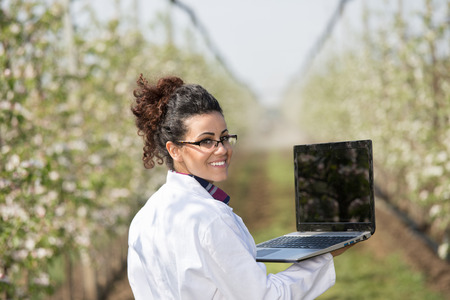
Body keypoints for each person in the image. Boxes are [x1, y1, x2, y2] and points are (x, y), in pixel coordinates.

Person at [127, 74, 347, 299]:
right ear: (174, 150)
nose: (221, 149)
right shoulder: (209, 219)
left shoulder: (144, 219)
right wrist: (324, 256)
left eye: (224, 138)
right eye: (206, 141)